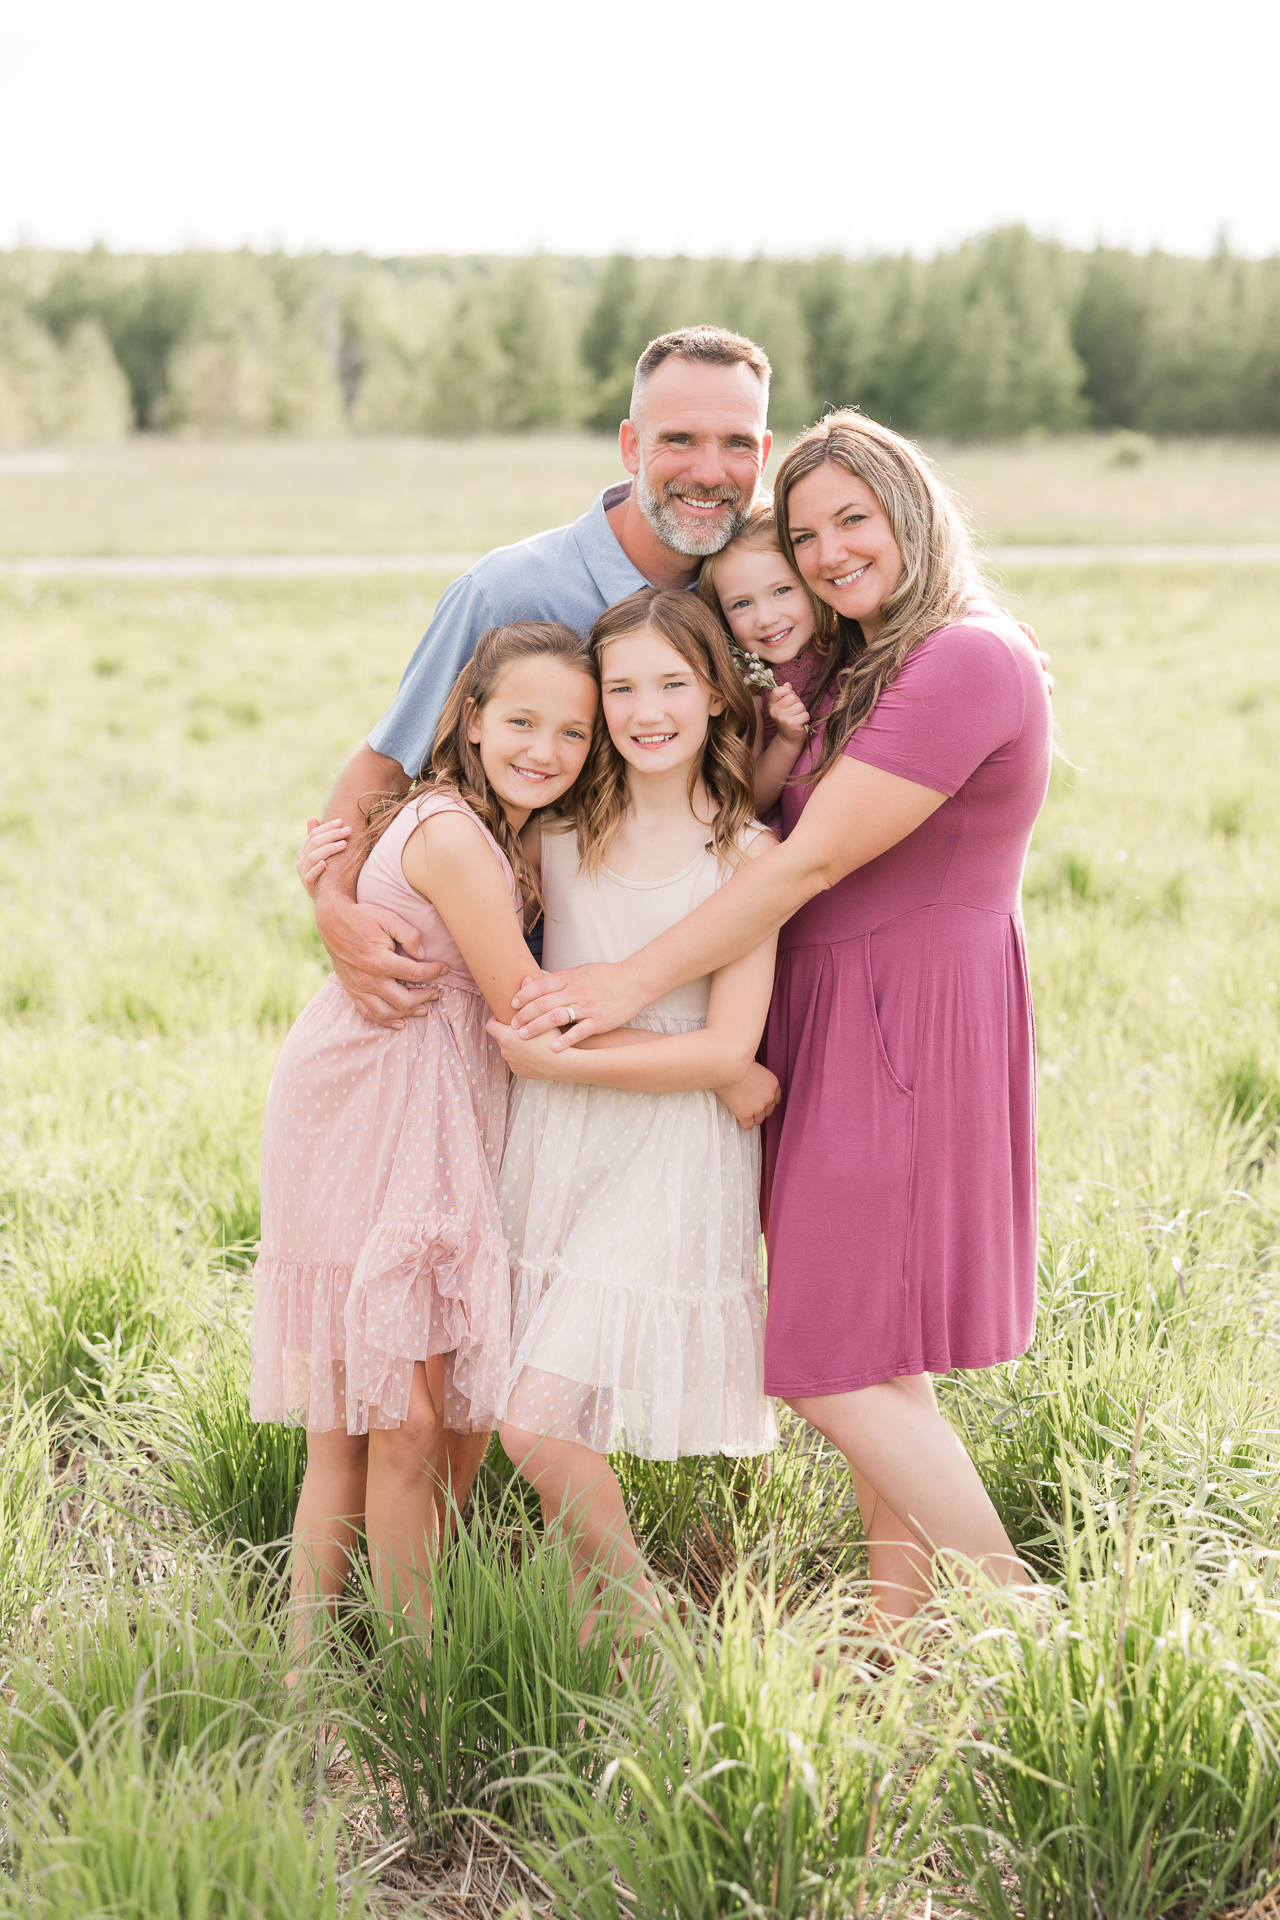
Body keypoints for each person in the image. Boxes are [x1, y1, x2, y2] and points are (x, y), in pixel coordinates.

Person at [509, 411, 1054, 1629]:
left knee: (825, 1365)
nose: (824, 554)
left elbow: (801, 867)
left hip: (903, 1026)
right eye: (803, 533)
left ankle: (1025, 1629)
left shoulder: (966, 657)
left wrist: (622, 984)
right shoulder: (867, 665)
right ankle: (893, 1642)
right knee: (876, 1359)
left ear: (912, 507)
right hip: (837, 1020)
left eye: (850, 519)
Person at [299, 324, 776, 1512]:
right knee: (466, 1352)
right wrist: (330, 909)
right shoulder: (512, 590)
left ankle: (500, 1572)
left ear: (760, 455)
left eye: (733, 443)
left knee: (525, 1345)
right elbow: (377, 773)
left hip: (649, 1031)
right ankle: (442, 1604)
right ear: (629, 444)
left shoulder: (751, 588)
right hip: (490, 1030)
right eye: (678, 438)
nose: (704, 468)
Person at [251, 622, 598, 1659]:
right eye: (522, 721)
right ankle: (368, 1674)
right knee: (379, 1420)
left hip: (437, 1104)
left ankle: (368, 1658)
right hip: (372, 1102)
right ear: (470, 720)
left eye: (574, 733)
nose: (545, 748)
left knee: (413, 1417)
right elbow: (518, 999)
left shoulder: (506, 829)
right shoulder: (448, 832)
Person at [486, 587, 781, 1633]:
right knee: (553, 1406)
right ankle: (591, 1639)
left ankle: (645, 1634)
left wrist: (577, 1064)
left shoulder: (746, 857)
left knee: (535, 1423)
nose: (645, 710)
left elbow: (725, 1048)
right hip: (557, 1147)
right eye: (620, 688)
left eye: (671, 683)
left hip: (665, 1152)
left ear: (712, 692)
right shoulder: (555, 833)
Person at [698, 503, 847, 817]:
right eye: (741, 604)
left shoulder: (847, 643)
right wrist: (786, 739)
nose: (766, 618)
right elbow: (750, 800)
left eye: (782, 590)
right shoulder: (748, 684)